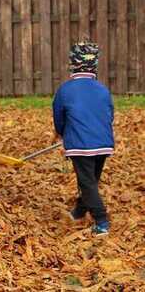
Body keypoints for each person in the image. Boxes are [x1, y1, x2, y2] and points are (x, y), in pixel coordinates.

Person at [52, 41, 114, 236]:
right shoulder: (103, 89)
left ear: (73, 63)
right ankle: (79, 211)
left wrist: (62, 133)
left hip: (80, 144)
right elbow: (109, 114)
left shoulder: (65, 90)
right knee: (90, 181)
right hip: (103, 143)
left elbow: (59, 117)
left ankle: (102, 221)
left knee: (87, 182)